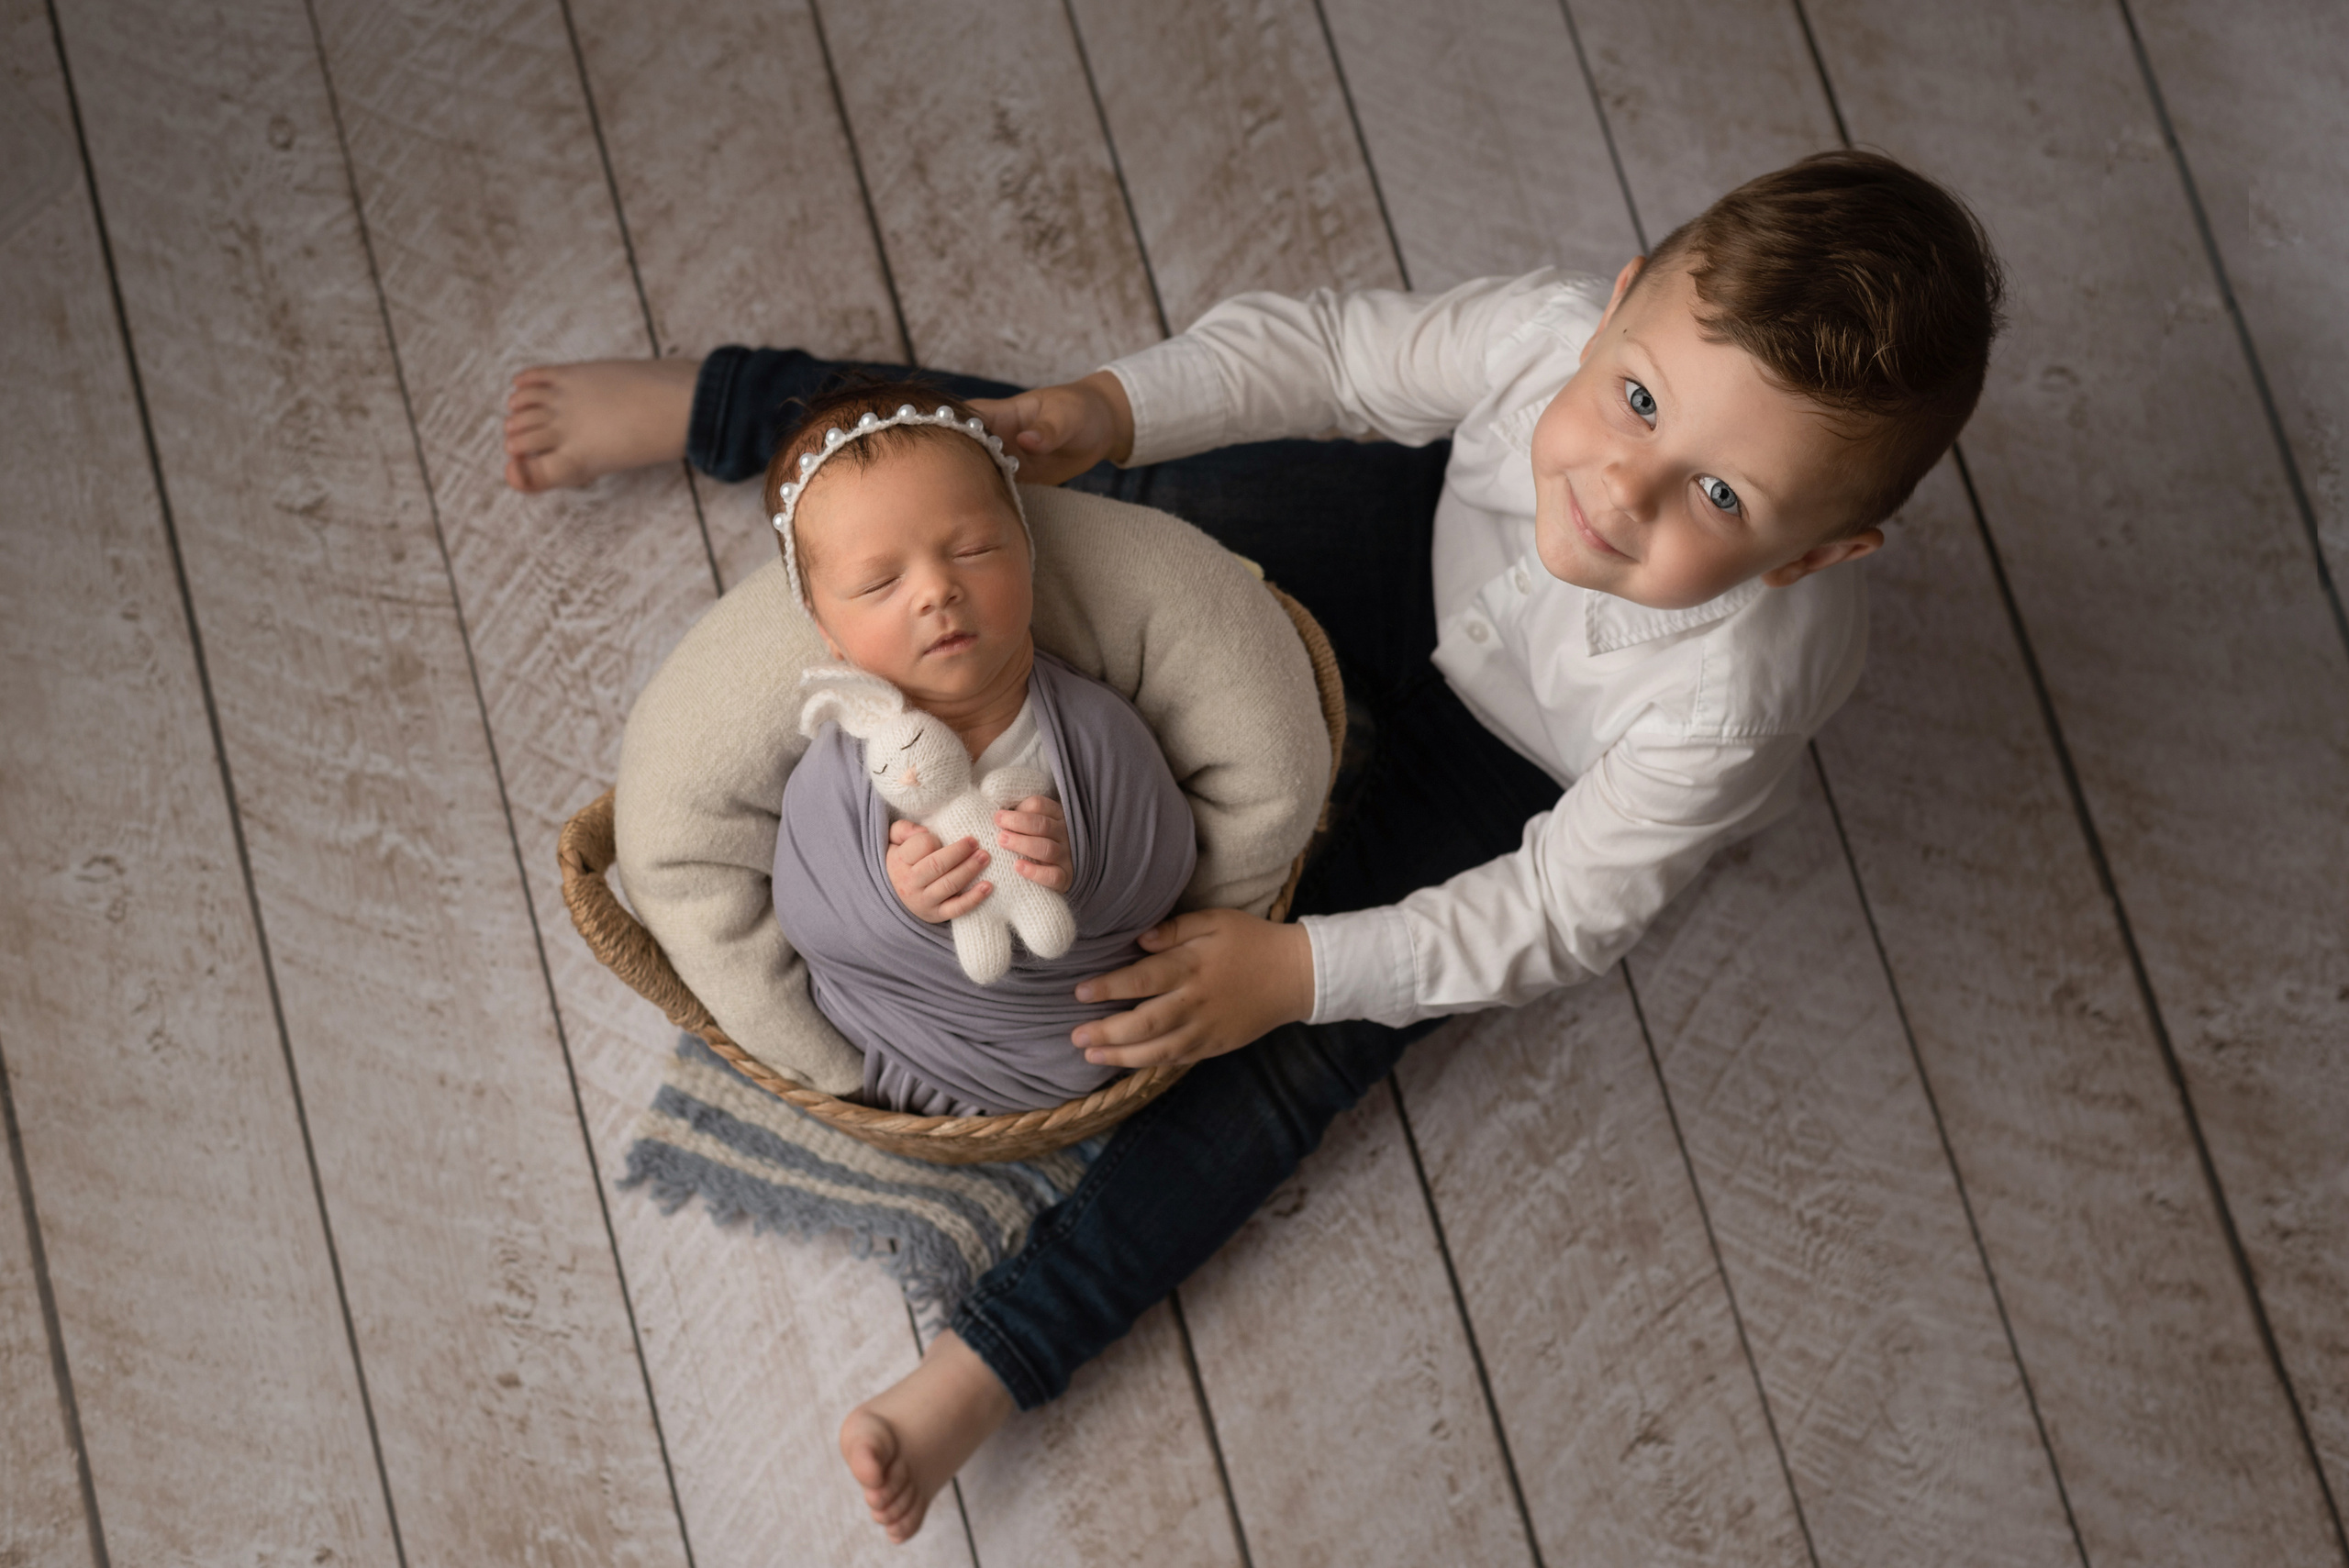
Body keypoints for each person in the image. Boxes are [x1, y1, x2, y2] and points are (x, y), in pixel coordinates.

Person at [504, 149, 2004, 1543]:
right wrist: (1115, 405)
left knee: (1305, 1056)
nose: (1621, 488)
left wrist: (1296, 968)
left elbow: (1559, 908)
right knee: (1017, 488)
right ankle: (737, 401)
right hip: (1396, 530)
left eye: (1722, 496)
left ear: (1814, 555)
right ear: (1614, 308)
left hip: (1514, 770)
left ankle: (987, 1357)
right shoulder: (1544, 334)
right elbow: (1333, 353)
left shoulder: (1731, 698)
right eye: (1635, 399)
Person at [763, 378, 1197, 1117]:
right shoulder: (839, 769)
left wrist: (1084, 864)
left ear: (1026, 551)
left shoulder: (1094, 725)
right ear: (826, 631)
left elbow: (1171, 862)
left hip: (1083, 1035)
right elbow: (807, 913)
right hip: (909, 1043)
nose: (936, 590)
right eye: (879, 582)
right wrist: (895, 902)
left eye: (972, 548)